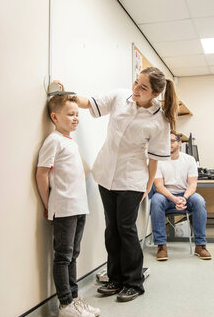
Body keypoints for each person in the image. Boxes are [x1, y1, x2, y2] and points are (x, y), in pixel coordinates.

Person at [73, 67, 179, 302]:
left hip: (132, 178)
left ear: (155, 93)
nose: (136, 89)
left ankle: (133, 282)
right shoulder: (121, 97)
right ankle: (115, 278)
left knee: (127, 229)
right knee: (112, 229)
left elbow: (154, 159)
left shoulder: (160, 120)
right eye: (136, 83)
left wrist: (147, 186)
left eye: (143, 87)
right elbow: (89, 103)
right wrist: (68, 96)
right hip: (105, 173)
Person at [35, 94, 100, 317]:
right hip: (63, 208)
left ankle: (74, 298)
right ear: (55, 117)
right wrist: (47, 204)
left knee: (73, 255)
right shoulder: (53, 140)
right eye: (70, 114)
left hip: (78, 206)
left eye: (77, 115)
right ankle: (65, 304)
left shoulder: (69, 141)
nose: (76, 119)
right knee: (63, 256)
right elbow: (42, 174)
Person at [151, 131, 212, 261]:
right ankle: (161, 246)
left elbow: (192, 185)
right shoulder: (158, 160)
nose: (168, 144)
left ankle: (200, 245)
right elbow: (159, 187)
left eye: (172, 141)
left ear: (180, 143)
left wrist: (184, 198)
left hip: (186, 195)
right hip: (165, 195)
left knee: (199, 201)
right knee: (156, 200)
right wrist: (174, 199)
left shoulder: (189, 160)